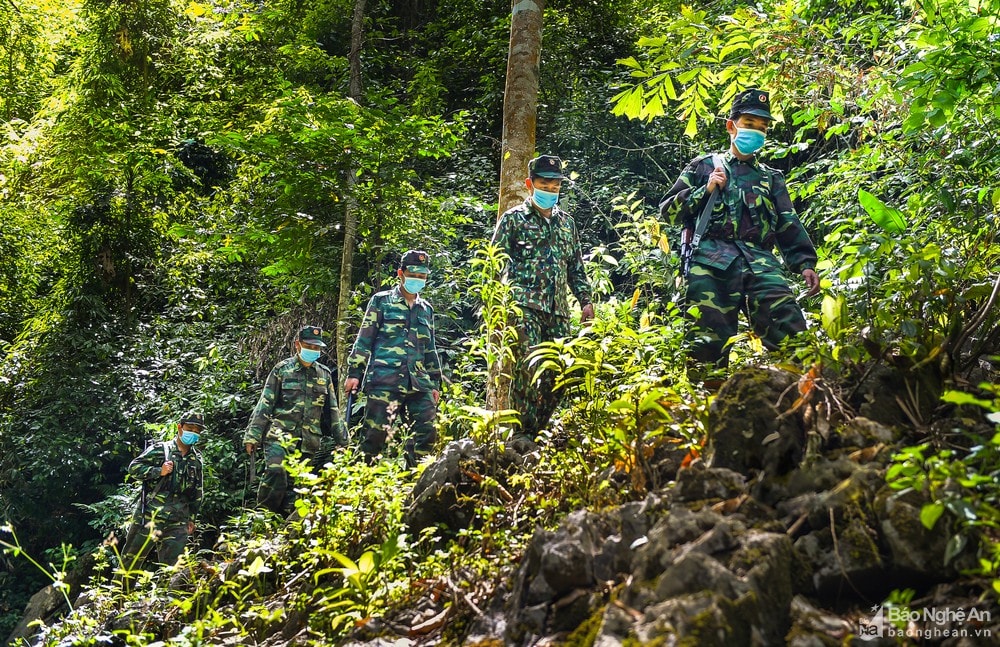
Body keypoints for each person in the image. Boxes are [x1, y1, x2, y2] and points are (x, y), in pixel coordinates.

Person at [659, 88, 821, 367]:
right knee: (706, 346)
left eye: (762, 127)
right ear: (731, 126)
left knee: (792, 334)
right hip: (710, 261)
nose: (756, 132)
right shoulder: (704, 166)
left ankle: (804, 396)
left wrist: (804, 262)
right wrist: (705, 189)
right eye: (749, 124)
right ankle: (707, 403)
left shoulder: (771, 178)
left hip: (761, 262)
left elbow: (787, 222)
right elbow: (668, 212)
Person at [491, 155, 595, 444]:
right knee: (528, 368)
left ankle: (543, 432)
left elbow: (576, 267)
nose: (549, 189)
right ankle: (521, 434)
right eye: (543, 183)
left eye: (555, 185)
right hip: (523, 306)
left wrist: (585, 300)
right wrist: (503, 298)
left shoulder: (566, 224)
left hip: (558, 310)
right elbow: (496, 262)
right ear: (529, 184)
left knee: (559, 371)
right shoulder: (513, 220)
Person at [345, 250, 442, 466]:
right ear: (401, 273)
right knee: (373, 439)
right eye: (414, 275)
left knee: (427, 434)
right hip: (384, 381)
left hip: (418, 383)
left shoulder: (426, 309)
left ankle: (415, 487)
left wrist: (435, 383)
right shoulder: (381, 302)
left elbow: (430, 349)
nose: (418, 279)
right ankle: (362, 487)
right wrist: (354, 373)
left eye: (422, 276)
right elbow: (364, 340)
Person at [243, 325, 346, 515]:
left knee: (297, 486)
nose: (313, 351)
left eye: (317, 348)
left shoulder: (324, 374)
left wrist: (343, 442)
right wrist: (253, 435)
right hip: (279, 435)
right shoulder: (282, 370)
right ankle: (263, 517)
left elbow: (333, 410)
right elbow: (265, 403)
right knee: (276, 472)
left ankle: (283, 528)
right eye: (309, 346)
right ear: (297, 345)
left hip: (308, 440)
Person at [121, 412, 205, 569]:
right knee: (130, 563)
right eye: (190, 428)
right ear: (179, 427)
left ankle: (167, 594)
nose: (193, 433)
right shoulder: (161, 450)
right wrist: (158, 471)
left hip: (178, 519)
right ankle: (122, 593)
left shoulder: (196, 460)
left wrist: (192, 518)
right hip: (149, 516)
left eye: (197, 431)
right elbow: (134, 468)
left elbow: (198, 492)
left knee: (173, 569)